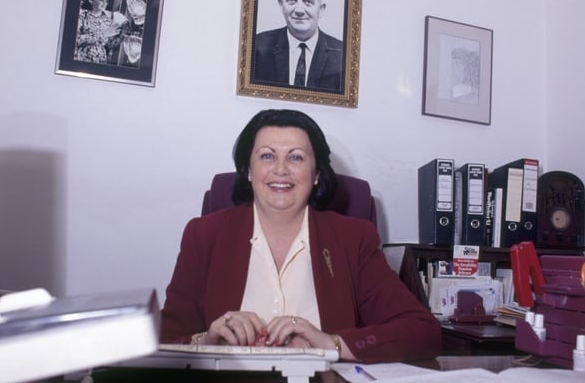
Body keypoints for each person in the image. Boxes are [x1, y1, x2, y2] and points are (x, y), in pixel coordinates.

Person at [160, 109, 442, 363]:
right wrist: (206, 342)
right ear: (248, 171)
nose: (280, 169)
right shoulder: (204, 235)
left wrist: (331, 343)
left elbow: (422, 332)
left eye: (296, 157)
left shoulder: (352, 239)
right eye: (267, 156)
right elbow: (163, 338)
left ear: (316, 173)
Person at [252, 0, 345, 94]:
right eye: (291, 0)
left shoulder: (342, 54)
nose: (299, 10)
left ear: (321, 9)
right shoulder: (257, 46)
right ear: (281, 5)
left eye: (308, 1)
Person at [73, 0, 124, 64]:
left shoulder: (109, 20)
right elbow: (76, 40)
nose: (104, 4)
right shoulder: (81, 16)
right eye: (101, 0)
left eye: (106, 1)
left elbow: (109, 45)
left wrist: (121, 36)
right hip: (81, 58)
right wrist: (104, 34)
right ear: (90, 0)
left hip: (100, 61)